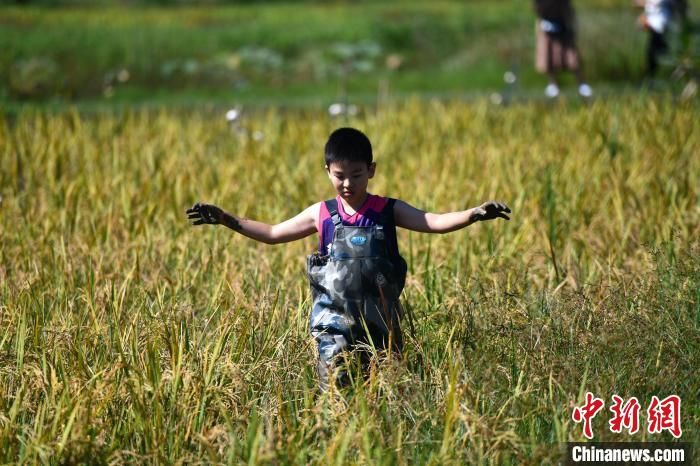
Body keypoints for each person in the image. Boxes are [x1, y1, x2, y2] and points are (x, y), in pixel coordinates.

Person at [186, 127, 511, 391]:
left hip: (384, 329)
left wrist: (474, 214)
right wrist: (226, 219)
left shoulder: (387, 210)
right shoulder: (322, 213)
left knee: (388, 398)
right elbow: (272, 232)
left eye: (356, 175)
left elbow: (434, 222)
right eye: (339, 175)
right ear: (327, 170)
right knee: (338, 402)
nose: (347, 184)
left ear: (371, 170)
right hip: (333, 331)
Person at [533, 0, 593, 98]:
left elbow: (568, 10)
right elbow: (536, 8)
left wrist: (570, 25)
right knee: (547, 56)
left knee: (572, 58)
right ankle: (553, 85)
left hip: (563, 26)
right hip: (546, 25)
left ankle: (582, 85)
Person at [635, 0, 686, 78]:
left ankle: (674, 75)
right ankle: (655, 76)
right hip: (656, 27)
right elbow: (637, 3)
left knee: (662, 52)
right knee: (654, 53)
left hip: (665, 27)